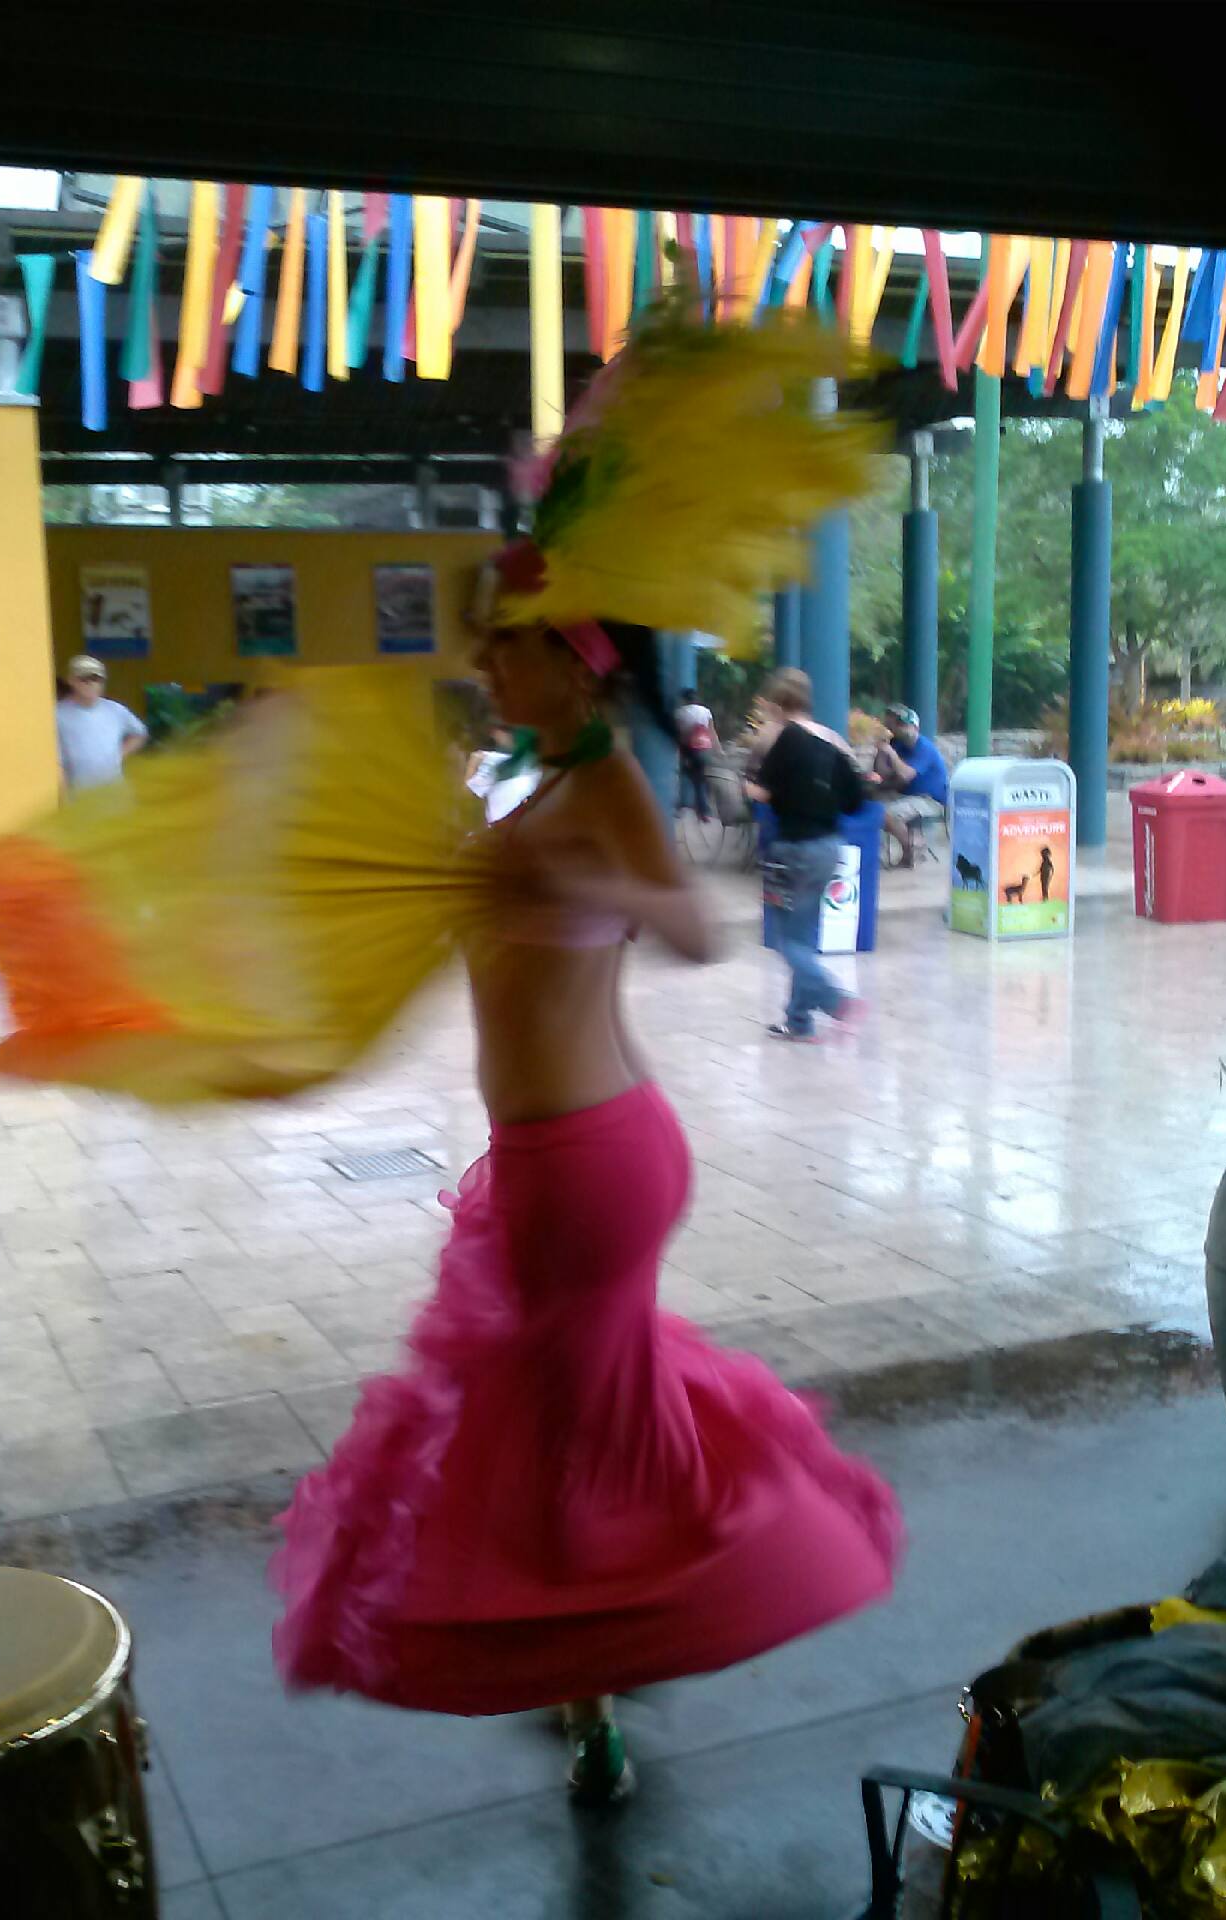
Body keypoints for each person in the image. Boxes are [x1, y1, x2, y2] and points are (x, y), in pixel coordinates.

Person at [271, 558, 899, 1806]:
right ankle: (594, 1680)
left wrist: (561, 881)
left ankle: (628, 1656)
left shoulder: (607, 778)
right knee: (570, 1421)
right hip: (558, 1155)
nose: (484, 668)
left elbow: (694, 929)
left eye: (503, 646)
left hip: (592, 1162)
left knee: (567, 1433)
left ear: (576, 662)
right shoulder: (548, 775)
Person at [747, 668, 866, 1041]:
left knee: (789, 943)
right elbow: (856, 798)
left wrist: (747, 786)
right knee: (804, 936)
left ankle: (837, 1001)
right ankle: (798, 1020)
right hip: (828, 848)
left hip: (792, 850)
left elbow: (762, 794)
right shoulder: (831, 740)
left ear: (778, 702)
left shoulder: (786, 738)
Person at [54, 655, 148, 791]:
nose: (90, 683)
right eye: (84, 679)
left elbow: (139, 733)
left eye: (96, 679)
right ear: (71, 680)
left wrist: (119, 754)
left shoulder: (115, 709)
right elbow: (55, 760)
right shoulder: (58, 713)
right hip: (78, 794)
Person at [873, 703, 948, 868]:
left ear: (914, 726)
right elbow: (882, 774)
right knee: (870, 806)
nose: (898, 728)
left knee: (887, 814)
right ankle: (875, 857)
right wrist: (881, 750)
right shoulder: (896, 743)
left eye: (902, 724)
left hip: (930, 799)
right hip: (905, 795)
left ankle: (910, 853)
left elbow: (906, 775)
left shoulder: (924, 747)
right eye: (895, 724)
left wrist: (891, 754)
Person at [674, 686, 720, 823]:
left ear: (684, 699)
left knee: (686, 776)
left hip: (688, 750)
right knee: (700, 778)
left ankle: (683, 807)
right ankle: (704, 811)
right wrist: (718, 749)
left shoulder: (679, 713)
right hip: (705, 749)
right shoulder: (706, 711)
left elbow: (679, 734)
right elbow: (712, 732)